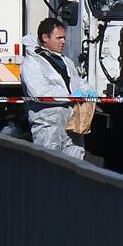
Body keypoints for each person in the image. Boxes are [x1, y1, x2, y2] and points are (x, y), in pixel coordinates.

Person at [20, 17, 93, 159]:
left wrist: (87, 90)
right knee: (48, 167)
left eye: (64, 38)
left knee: (76, 166)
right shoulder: (32, 63)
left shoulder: (66, 61)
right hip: (49, 126)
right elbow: (39, 92)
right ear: (45, 37)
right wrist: (70, 95)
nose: (63, 42)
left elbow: (77, 82)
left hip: (72, 124)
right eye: (59, 38)